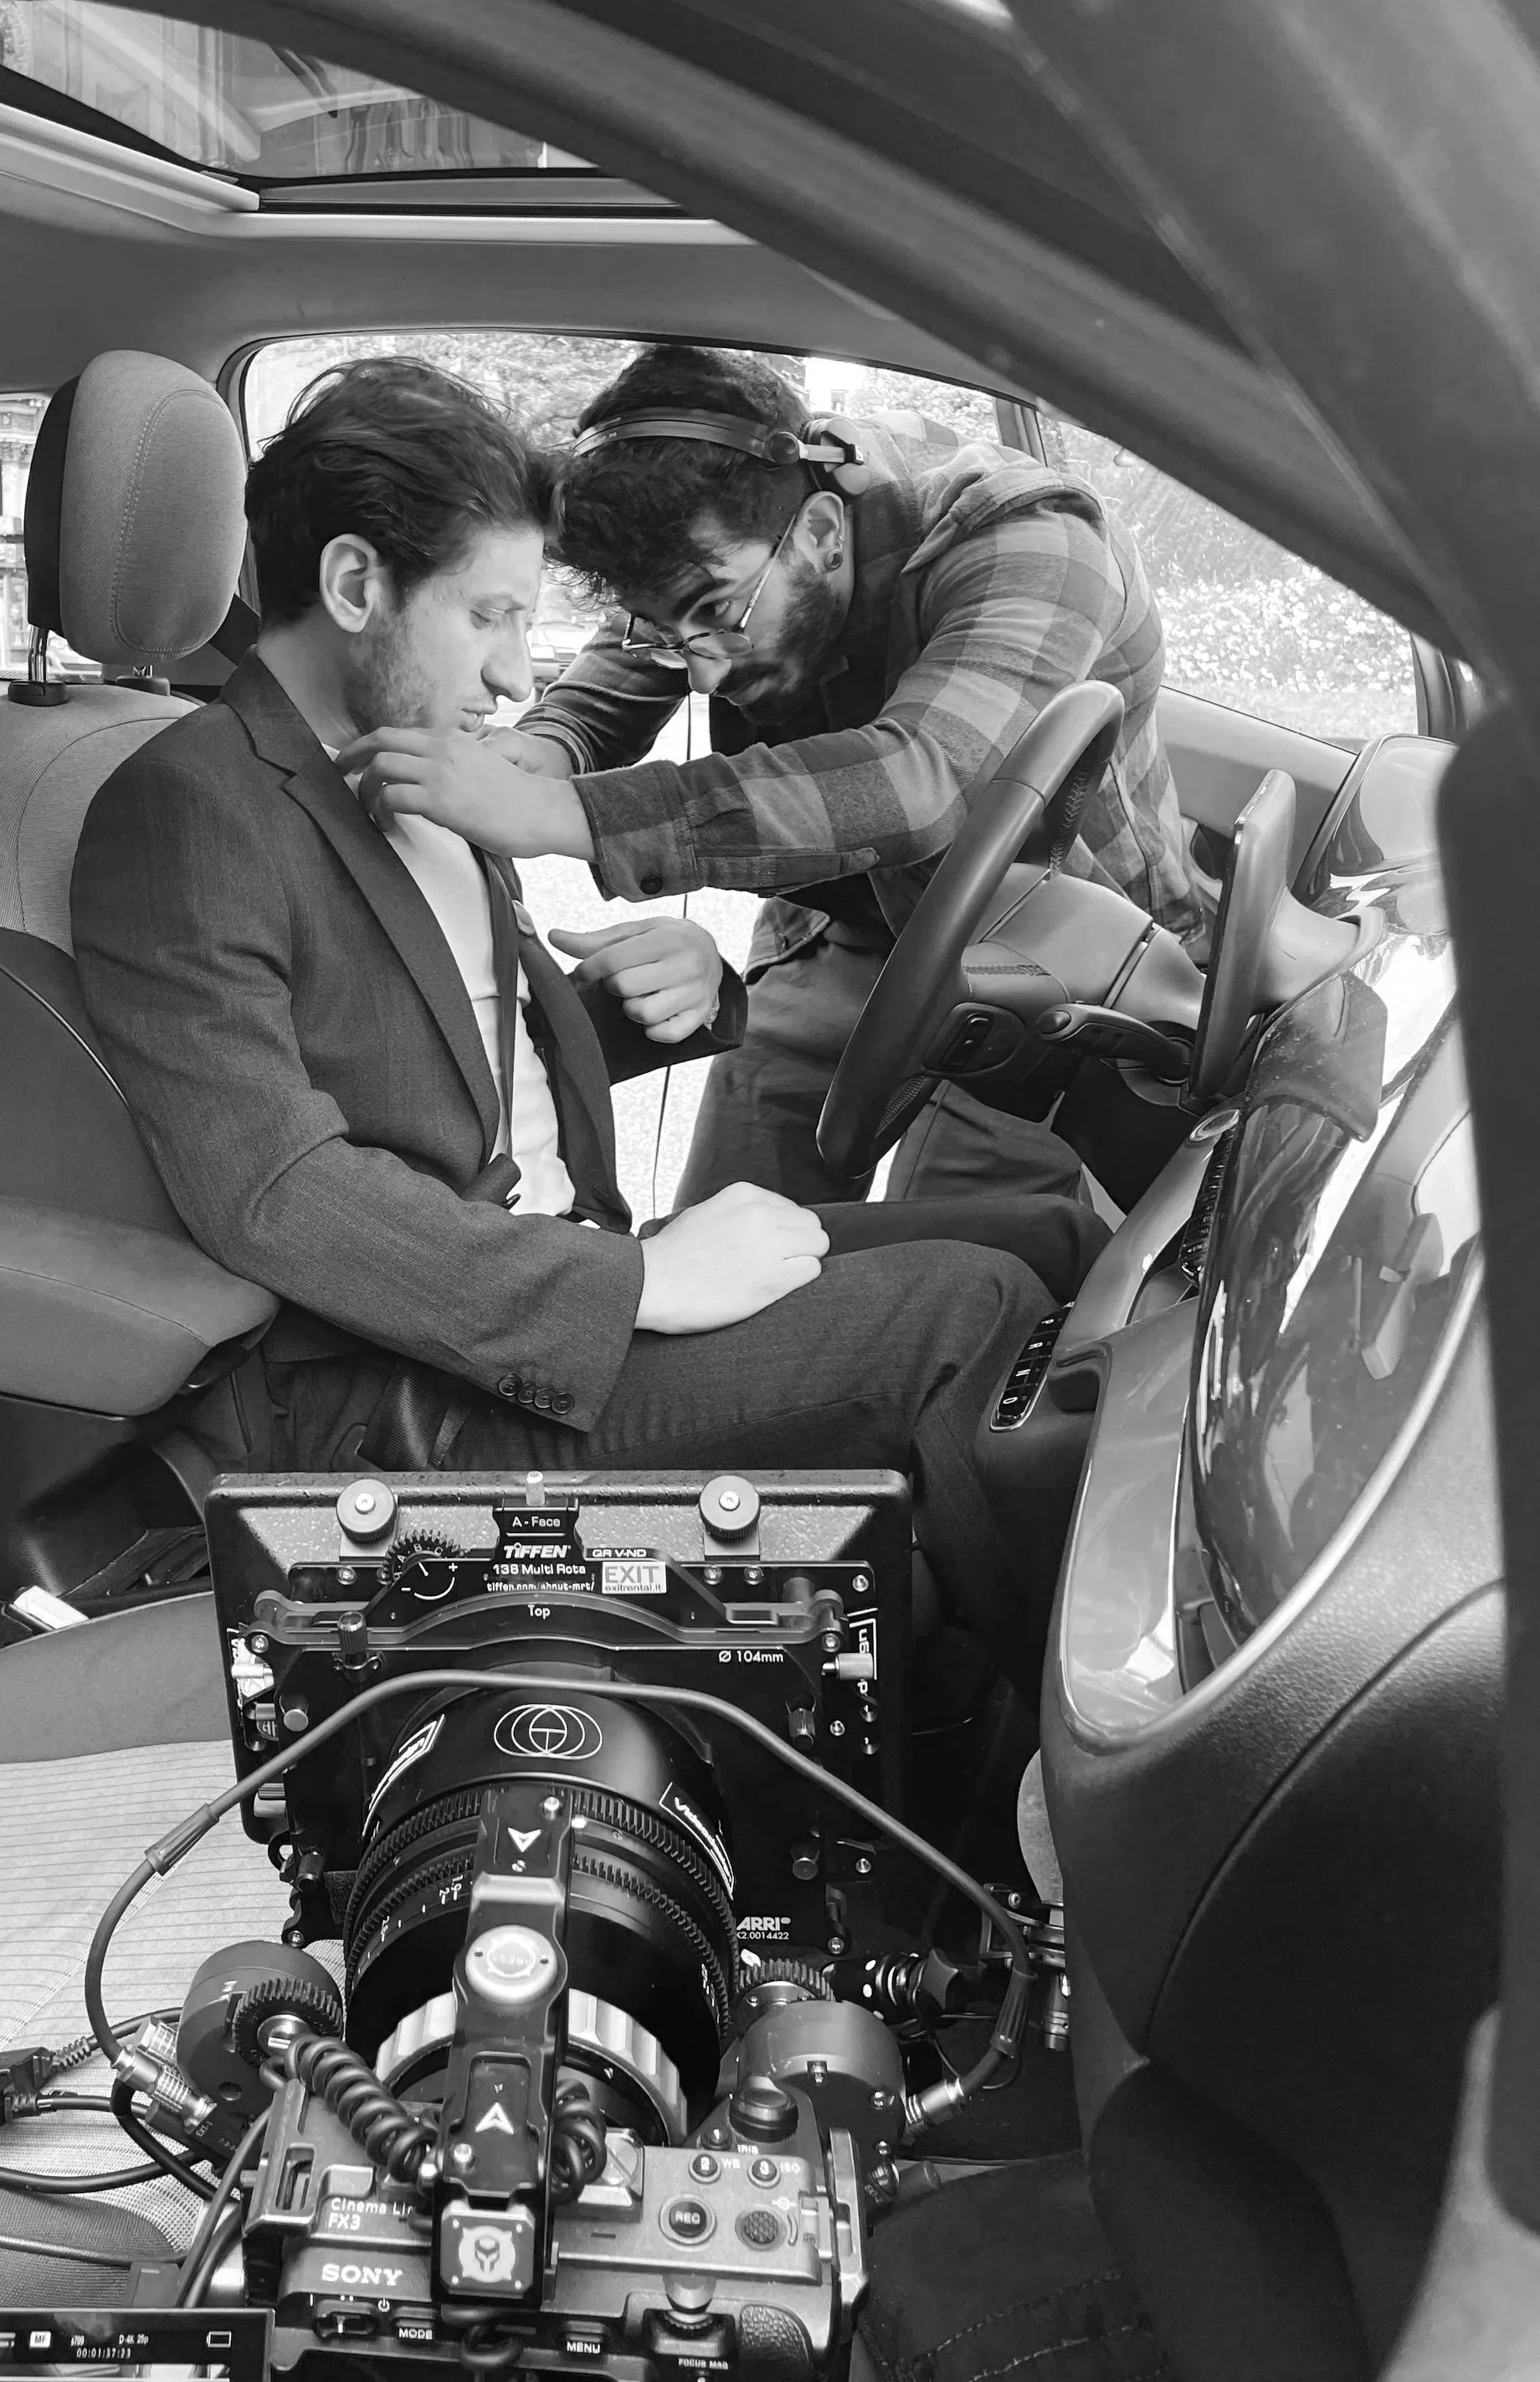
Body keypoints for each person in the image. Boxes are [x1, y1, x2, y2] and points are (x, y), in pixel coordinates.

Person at [73, 358, 1104, 1680]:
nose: (517, 681)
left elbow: (448, 1050)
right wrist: (638, 1284)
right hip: (416, 1391)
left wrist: (681, 994)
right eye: (492, 616)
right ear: (352, 587)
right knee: (968, 1312)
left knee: (1046, 1233)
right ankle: (1076, 1779)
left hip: (548, 1275)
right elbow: (272, 1188)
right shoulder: (190, 808)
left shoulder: (416, 768)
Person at [341, 344, 1204, 1211]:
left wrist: (564, 811)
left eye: (719, 616)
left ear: (823, 537)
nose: (704, 676)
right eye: (671, 629)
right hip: (838, 928)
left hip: (1052, 967)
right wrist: (552, 742)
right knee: (725, 1226)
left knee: (975, 1268)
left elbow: (921, 781)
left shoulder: (1031, 539)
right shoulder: (732, 537)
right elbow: (649, 634)